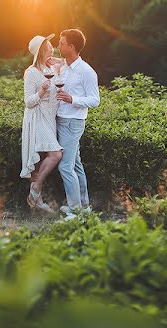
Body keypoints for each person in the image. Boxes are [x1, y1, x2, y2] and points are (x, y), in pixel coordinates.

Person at [54, 28, 100, 219]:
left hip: (73, 123)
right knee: (76, 164)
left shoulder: (86, 71)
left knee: (65, 166)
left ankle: (75, 211)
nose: (58, 46)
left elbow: (95, 100)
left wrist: (72, 99)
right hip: (61, 119)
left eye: (62, 43)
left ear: (71, 47)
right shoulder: (64, 66)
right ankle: (84, 205)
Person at [20, 33, 63, 213]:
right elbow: (28, 102)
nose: (52, 47)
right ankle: (36, 189)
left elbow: (66, 67)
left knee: (40, 161)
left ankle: (36, 201)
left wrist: (58, 65)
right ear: (41, 50)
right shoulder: (31, 72)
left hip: (49, 118)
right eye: (49, 45)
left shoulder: (49, 68)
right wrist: (42, 91)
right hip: (37, 118)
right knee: (55, 154)